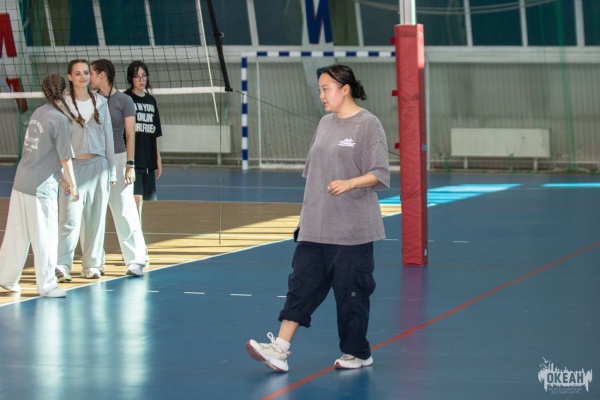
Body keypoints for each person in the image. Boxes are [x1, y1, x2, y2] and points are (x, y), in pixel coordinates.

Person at [246, 65, 390, 372]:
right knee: (301, 287)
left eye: (326, 89)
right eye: (320, 90)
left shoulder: (368, 124)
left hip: (352, 231)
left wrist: (350, 183)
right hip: (314, 228)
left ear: (345, 89)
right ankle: (279, 348)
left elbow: (379, 173)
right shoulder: (324, 124)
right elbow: (312, 176)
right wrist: (304, 217)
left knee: (351, 295)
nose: (322, 95)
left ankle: (357, 353)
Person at [0, 74, 79, 298]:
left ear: (45, 92)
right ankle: (48, 285)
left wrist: (62, 180)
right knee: (45, 236)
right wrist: (73, 185)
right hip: (40, 189)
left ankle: (6, 277)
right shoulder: (60, 120)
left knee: (17, 233)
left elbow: (42, 153)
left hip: (21, 183)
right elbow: (65, 159)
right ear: (65, 92)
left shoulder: (38, 113)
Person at [56, 59, 116, 281]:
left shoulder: (101, 103)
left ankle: (91, 265)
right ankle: (62, 265)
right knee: (69, 220)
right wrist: (61, 174)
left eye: (85, 73)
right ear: (70, 77)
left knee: (96, 221)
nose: (83, 77)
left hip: (99, 168)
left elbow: (109, 138)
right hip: (73, 169)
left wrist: (112, 171)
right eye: (77, 73)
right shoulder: (62, 105)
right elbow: (56, 141)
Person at [90, 59, 146, 277]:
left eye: (91, 73)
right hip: (95, 160)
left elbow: (130, 134)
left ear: (102, 75)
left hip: (119, 159)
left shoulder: (124, 100)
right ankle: (94, 263)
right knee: (93, 213)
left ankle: (135, 260)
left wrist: (130, 164)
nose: (88, 77)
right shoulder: (90, 100)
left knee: (125, 210)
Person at [124, 61, 163, 252]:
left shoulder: (151, 101)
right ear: (130, 78)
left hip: (148, 157)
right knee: (135, 200)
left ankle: (136, 241)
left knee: (140, 202)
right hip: (132, 158)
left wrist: (158, 158)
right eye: (137, 76)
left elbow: (154, 132)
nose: (141, 79)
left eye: (144, 76)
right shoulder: (125, 99)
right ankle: (137, 243)